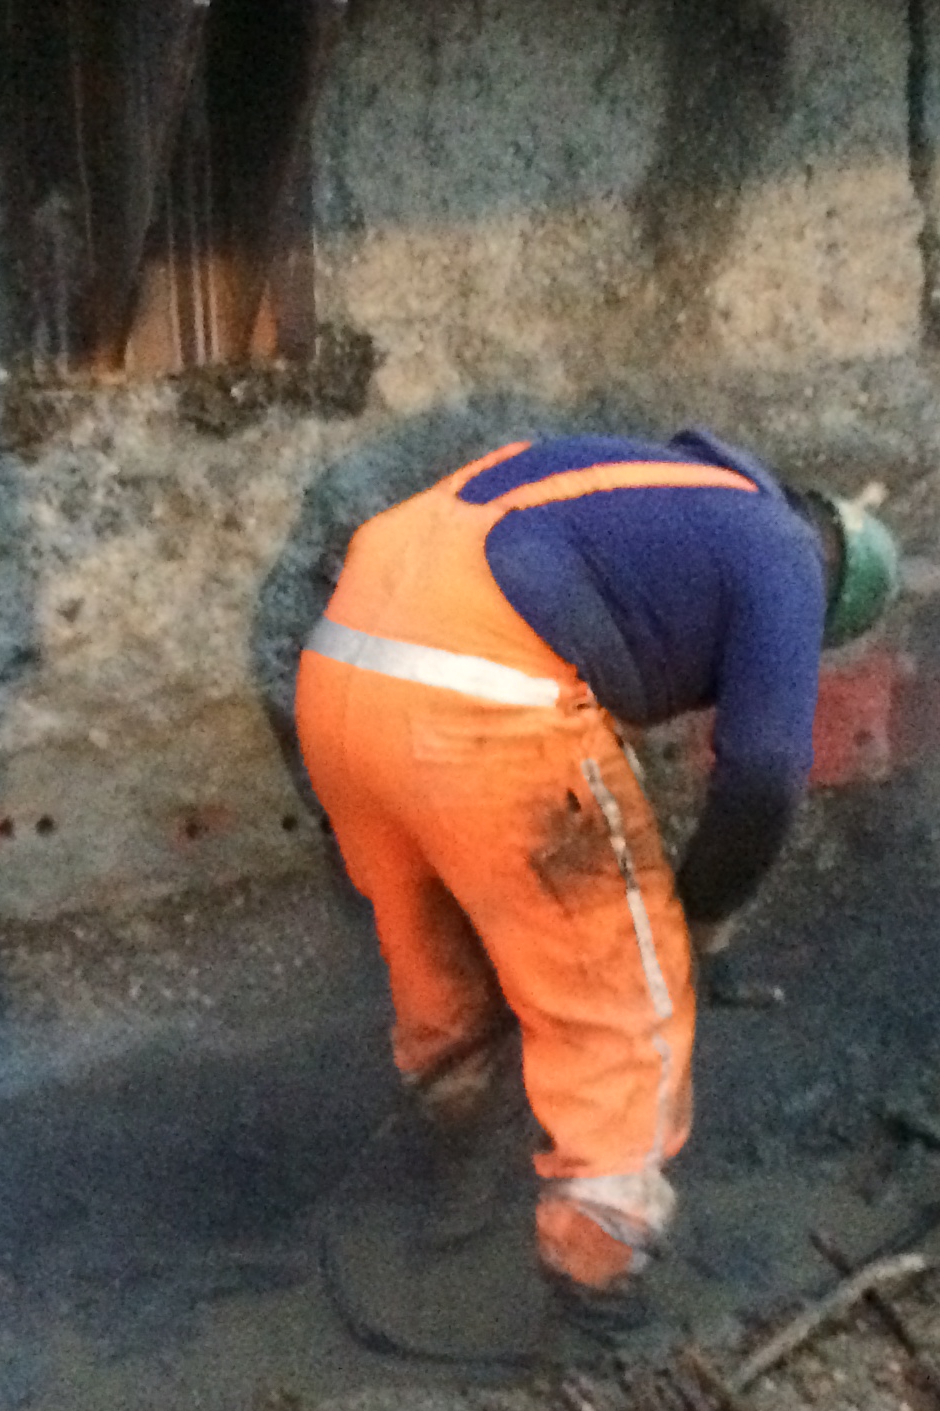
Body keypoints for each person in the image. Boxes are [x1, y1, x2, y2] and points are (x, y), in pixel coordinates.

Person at [295, 429, 899, 1327]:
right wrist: (702, 922)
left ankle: (454, 1162)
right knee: (622, 996)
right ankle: (596, 1276)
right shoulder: (784, 560)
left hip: (342, 680)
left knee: (443, 957)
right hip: (483, 705)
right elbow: (765, 775)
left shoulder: (665, 488)